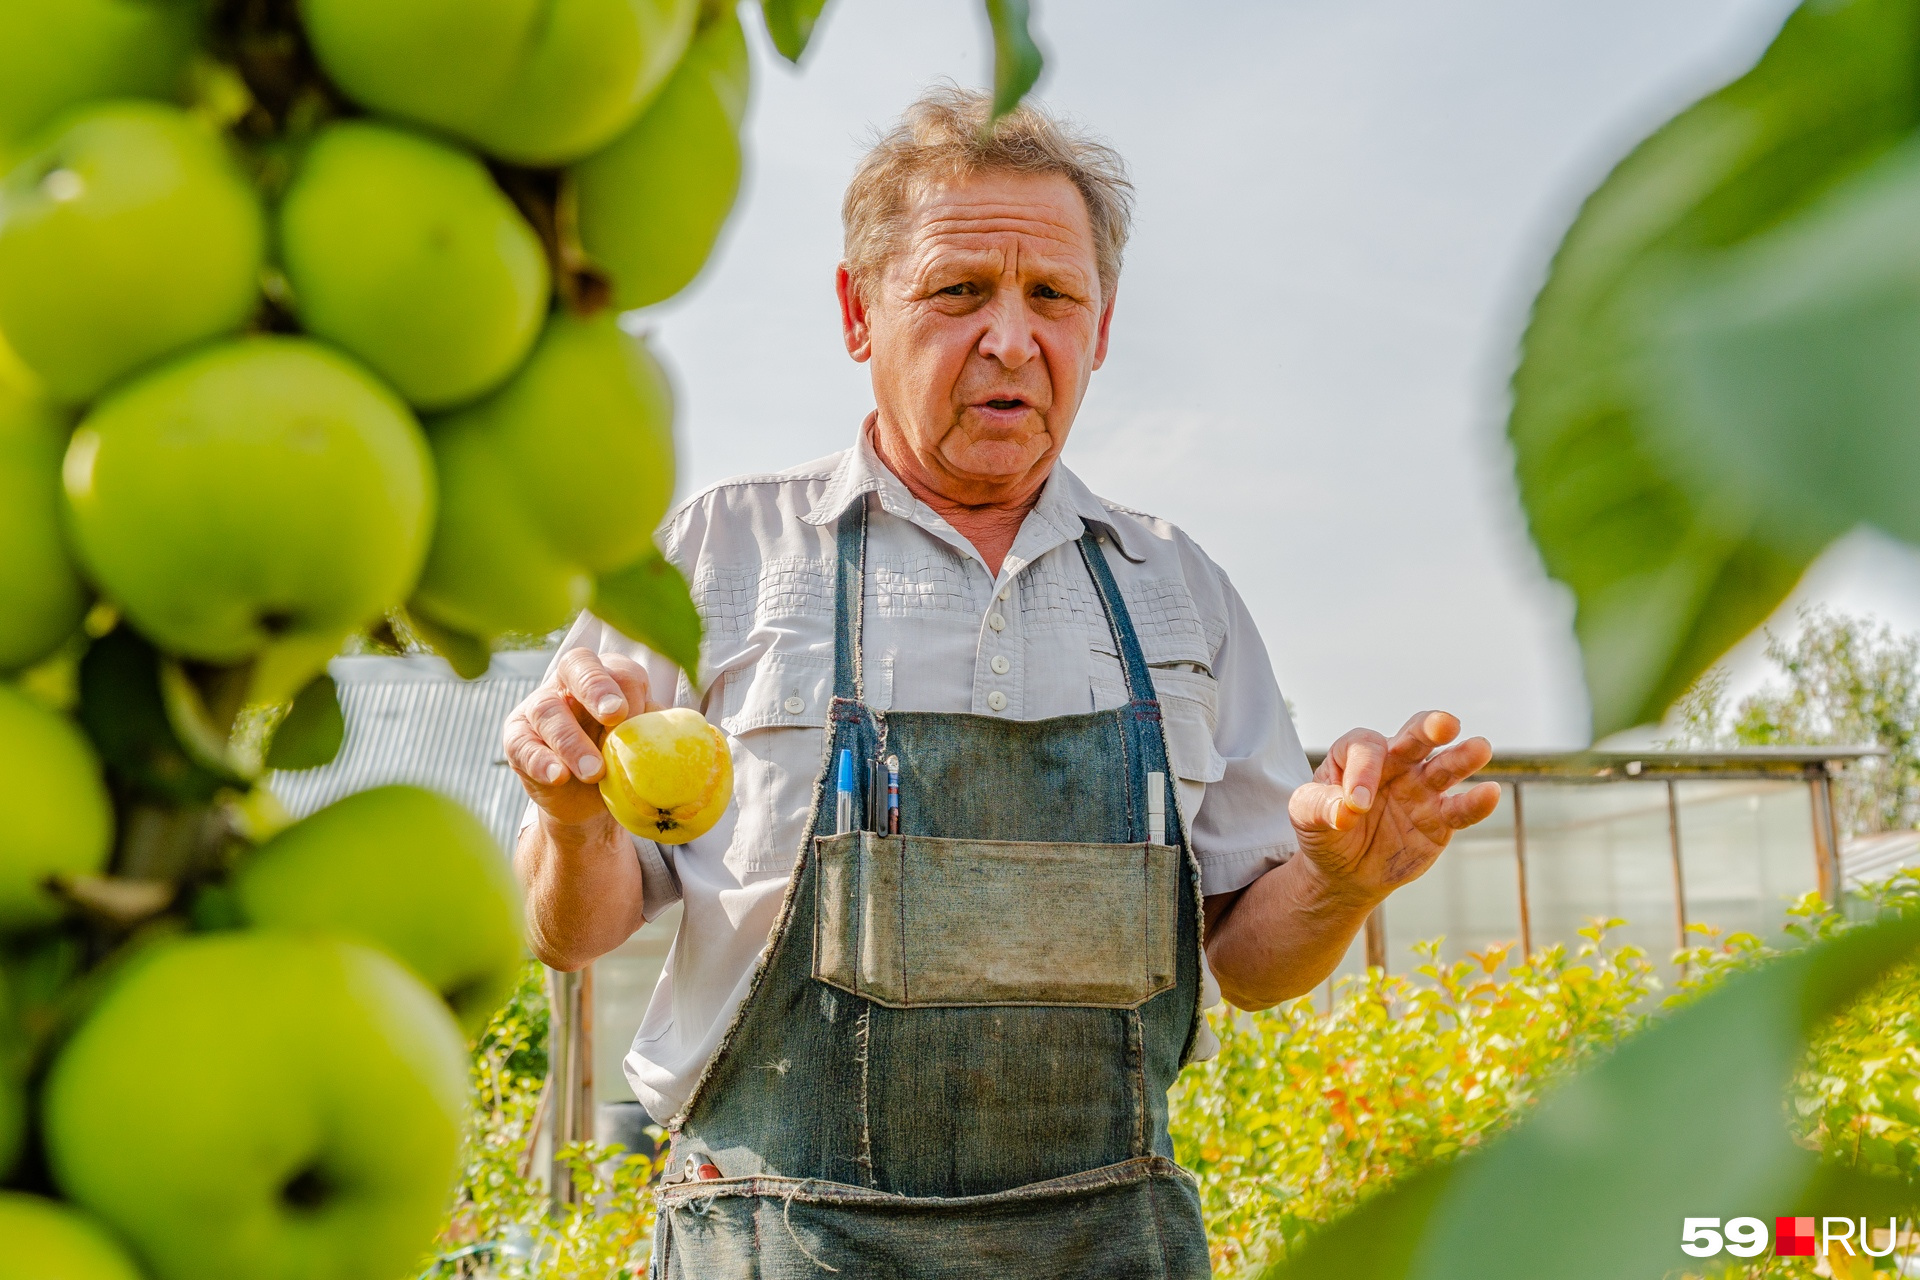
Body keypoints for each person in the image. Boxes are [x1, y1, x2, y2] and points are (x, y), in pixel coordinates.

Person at [506, 85, 1500, 1279]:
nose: (1012, 339)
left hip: (1104, 1243)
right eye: (958, 291)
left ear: (1102, 326)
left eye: (1054, 297)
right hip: (780, 1244)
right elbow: (575, 928)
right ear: (858, 310)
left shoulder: (1175, 588)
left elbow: (1245, 954)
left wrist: (1339, 883)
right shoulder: (715, 558)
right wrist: (571, 817)